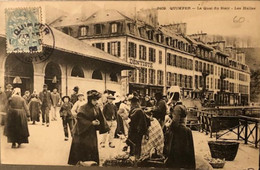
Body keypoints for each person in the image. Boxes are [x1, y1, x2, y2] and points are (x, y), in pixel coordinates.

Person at [68, 90, 109, 165]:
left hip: (91, 131)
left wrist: (101, 124)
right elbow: (80, 118)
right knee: (82, 148)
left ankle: (91, 163)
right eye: (94, 100)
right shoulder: (83, 107)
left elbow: (101, 117)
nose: (96, 102)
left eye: (97, 100)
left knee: (91, 146)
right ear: (90, 100)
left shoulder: (96, 107)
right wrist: (91, 123)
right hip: (81, 131)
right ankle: (80, 163)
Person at [164, 92, 196, 169]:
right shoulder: (182, 106)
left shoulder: (177, 108)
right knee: (184, 151)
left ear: (172, 98)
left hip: (179, 132)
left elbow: (175, 122)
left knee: (176, 151)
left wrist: (168, 126)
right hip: (184, 130)